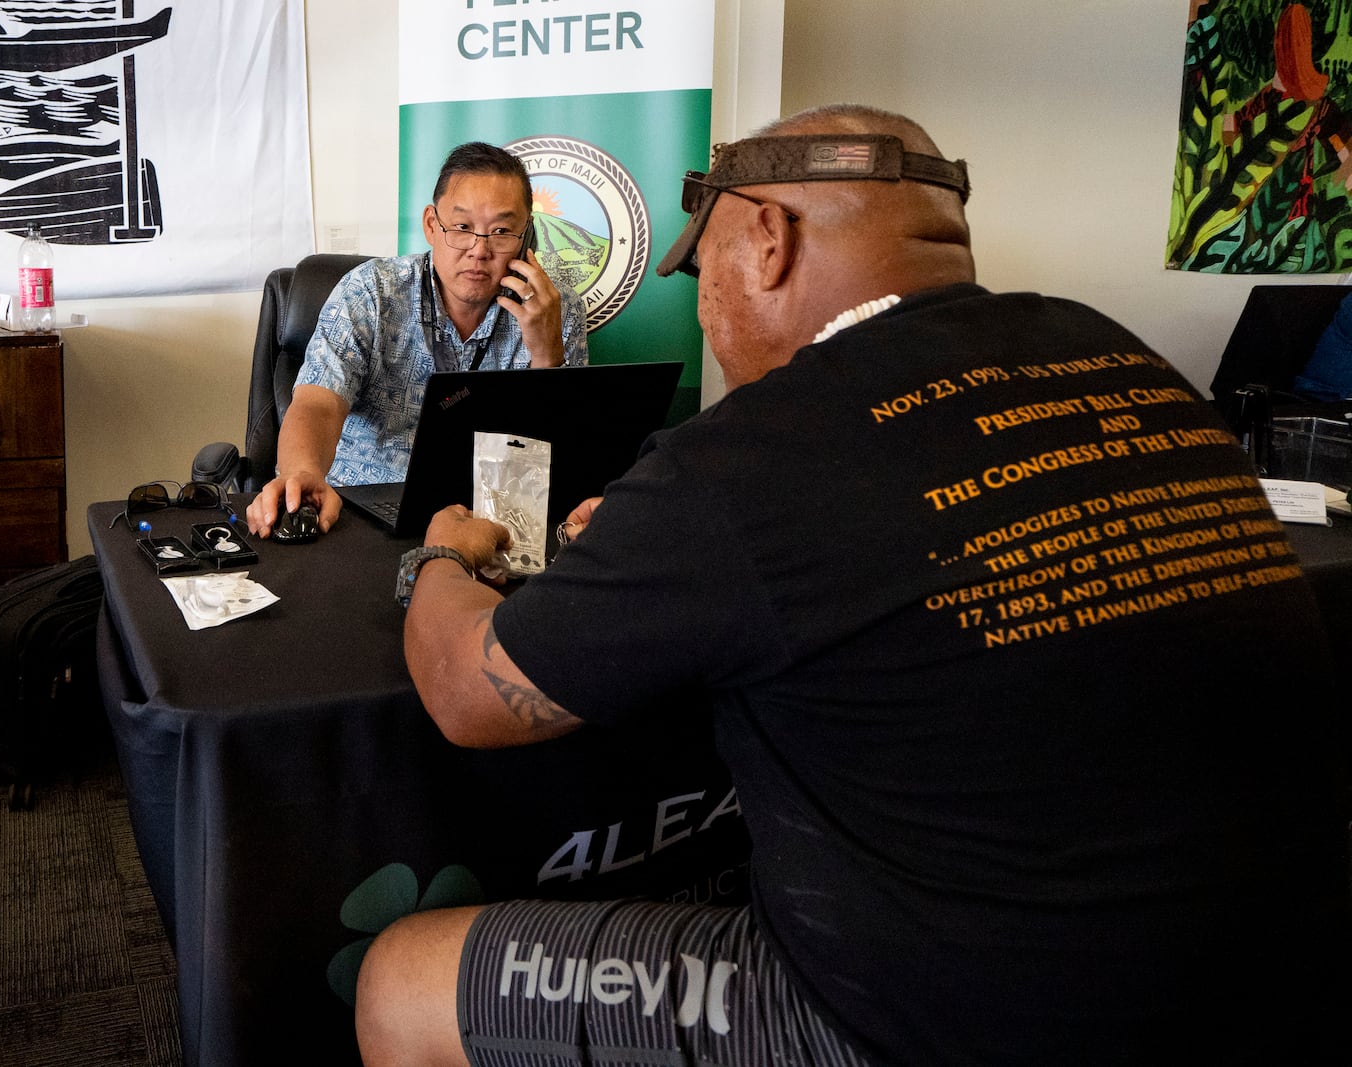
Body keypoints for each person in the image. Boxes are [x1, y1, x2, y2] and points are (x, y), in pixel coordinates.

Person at [355, 105, 1351, 1066]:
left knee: (401, 979)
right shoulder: (1126, 360)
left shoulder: (751, 453)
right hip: (1278, 981)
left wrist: (442, 549)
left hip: (953, 1023)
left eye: (703, 272)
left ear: (768, 239)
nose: (706, 308)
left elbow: (465, 691)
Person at [246, 141, 588, 538]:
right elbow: (318, 402)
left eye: (501, 232)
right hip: (362, 511)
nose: (479, 250)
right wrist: (303, 472)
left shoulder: (555, 309)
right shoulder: (371, 292)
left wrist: (548, 357)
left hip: (494, 521)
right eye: (461, 228)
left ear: (526, 234)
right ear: (431, 225)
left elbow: (560, 456)